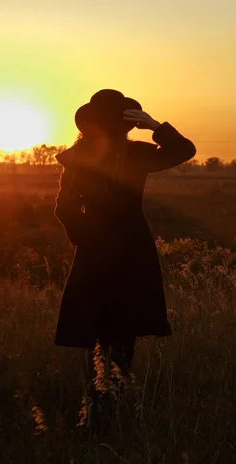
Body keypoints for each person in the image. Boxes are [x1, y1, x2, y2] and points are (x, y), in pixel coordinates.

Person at [53, 89, 196, 416]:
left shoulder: (85, 156)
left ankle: (98, 407)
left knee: (99, 328)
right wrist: (155, 125)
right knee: (120, 328)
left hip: (103, 249)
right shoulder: (133, 154)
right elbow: (183, 149)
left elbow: (65, 208)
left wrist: (85, 237)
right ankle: (106, 406)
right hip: (128, 246)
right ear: (125, 123)